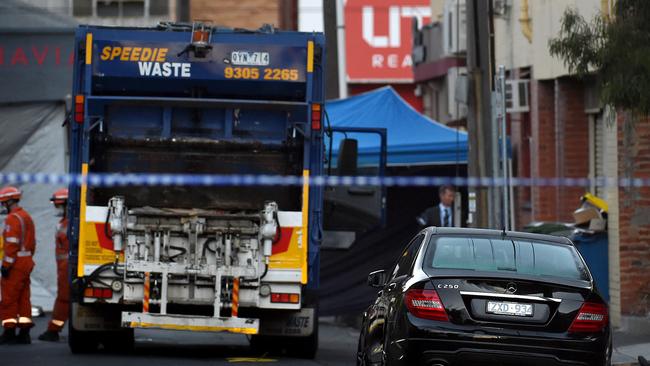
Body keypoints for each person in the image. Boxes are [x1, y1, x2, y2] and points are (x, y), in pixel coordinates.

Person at [0, 186, 36, 344]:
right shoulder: (26, 216)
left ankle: (9, 332)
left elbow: (11, 245)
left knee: (9, 298)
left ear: (8, 202)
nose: (2, 206)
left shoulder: (12, 219)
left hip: (15, 264)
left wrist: (6, 265)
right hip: (26, 262)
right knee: (24, 297)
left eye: (3, 203)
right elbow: (32, 243)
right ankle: (24, 332)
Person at [39, 188, 69, 342]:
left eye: (59, 206)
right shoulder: (65, 223)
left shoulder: (69, 224)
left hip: (66, 268)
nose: (57, 209)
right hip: (64, 267)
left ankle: (53, 330)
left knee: (63, 298)